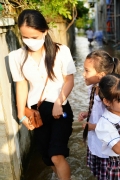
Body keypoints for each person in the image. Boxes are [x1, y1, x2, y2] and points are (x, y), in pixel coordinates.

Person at [8, 9, 76, 180]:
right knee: (46, 157)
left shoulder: (61, 51)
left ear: (45, 31)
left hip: (60, 110)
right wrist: (21, 114)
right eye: (25, 37)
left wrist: (59, 103)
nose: (30, 41)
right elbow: (21, 84)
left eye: (34, 37)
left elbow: (69, 80)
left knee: (56, 154)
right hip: (37, 112)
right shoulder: (16, 57)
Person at [78, 50, 120, 179]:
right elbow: (99, 110)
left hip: (106, 147)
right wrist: (88, 113)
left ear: (101, 75)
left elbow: (117, 122)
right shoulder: (92, 88)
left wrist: (92, 127)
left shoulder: (109, 95)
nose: (83, 74)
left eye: (87, 71)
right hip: (95, 143)